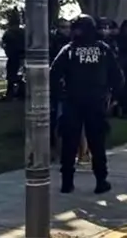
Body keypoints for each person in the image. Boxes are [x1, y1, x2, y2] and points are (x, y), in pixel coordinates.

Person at [51, 14, 124, 194]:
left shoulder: (69, 50)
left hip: (72, 101)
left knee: (69, 142)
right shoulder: (103, 49)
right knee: (97, 142)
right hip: (96, 101)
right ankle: (101, 181)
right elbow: (117, 76)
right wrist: (115, 97)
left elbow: (53, 75)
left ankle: (67, 182)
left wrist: (60, 95)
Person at [49, 19, 72, 155]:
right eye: (64, 27)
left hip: (69, 84)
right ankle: (54, 143)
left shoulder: (71, 42)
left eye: (68, 27)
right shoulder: (54, 42)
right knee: (56, 115)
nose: (66, 30)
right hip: (57, 83)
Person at [1, 11, 25, 100]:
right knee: (19, 76)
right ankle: (19, 93)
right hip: (21, 56)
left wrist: (8, 51)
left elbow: (4, 44)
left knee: (12, 76)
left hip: (14, 56)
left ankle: (11, 94)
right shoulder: (23, 32)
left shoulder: (9, 32)